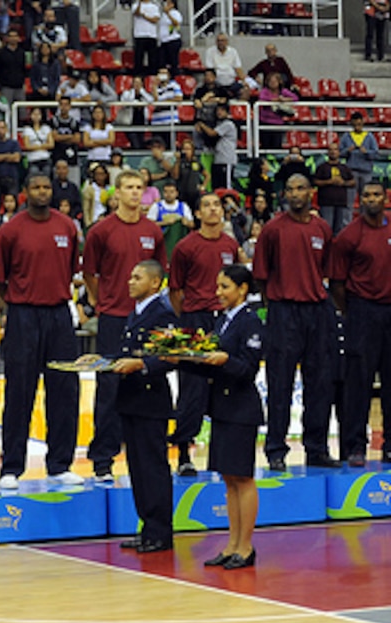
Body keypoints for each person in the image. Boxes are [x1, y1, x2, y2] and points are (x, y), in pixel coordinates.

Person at [0, 173, 84, 488]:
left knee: (64, 390)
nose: (42, 192)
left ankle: (60, 464)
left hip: (59, 314)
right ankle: (11, 468)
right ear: (25, 192)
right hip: (23, 315)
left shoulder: (67, 227)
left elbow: (72, 269)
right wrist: (19, 305)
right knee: (19, 391)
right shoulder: (10, 230)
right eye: (36, 187)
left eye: (46, 187)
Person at [176, 265, 264, 569]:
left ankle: (246, 546)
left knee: (243, 477)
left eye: (224, 286)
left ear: (242, 289)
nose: (218, 292)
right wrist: (181, 359)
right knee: (228, 480)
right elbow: (209, 363)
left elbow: (247, 369)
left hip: (242, 409)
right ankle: (231, 545)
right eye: (218, 286)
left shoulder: (251, 322)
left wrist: (225, 359)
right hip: (223, 409)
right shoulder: (222, 321)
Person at [83, 170, 167, 482]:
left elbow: (159, 274)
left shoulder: (153, 231)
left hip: (147, 320)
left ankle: (141, 457)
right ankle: (102, 459)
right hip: (114, 317)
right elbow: (90, 272)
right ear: (116, 193)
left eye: (139, 188)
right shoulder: (101, 231)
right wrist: (101, 301)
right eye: (129, 188)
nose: (134, 193)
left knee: (146, 384)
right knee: (109, 387)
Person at [252, 174, 338, 471]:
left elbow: (326, 271)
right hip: (283, 311)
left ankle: (317, 448)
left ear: (311, 193)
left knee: (320, 384)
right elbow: (261, 276)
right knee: (280, 384)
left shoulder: (322, 228)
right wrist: (277, 304)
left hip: (317, 310)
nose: (295, 193)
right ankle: (276, 449)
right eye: (289, 189)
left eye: (300, 188)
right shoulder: (272, 229)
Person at [167, 192, 240, 474]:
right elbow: (176, 290)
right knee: (192, 389)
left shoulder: (230, 246)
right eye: (207, 205)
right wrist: (186, 322)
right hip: (194, 319)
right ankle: (184, 452)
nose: (213, 209)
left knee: (225, 384)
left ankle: (222, 455)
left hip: (222, 319)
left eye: (217, 205)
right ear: (197, 214)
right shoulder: (185, 247)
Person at [109, 259, 178, 552]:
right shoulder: (136, 312)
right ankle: (147, 526)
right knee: (137, 467)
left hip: (151, 399)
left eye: (137, 277)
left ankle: (160, 531)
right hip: (132, 398)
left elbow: (170, 356)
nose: (130, 281)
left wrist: (141, 364)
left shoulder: (162, 314)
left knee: (153, 466)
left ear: (155, 283)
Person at [329, 181, 391, 467]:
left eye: (377, 194)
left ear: (385, 198)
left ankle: (389, 446)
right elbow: (337, 284)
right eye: (367, 195)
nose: (372, 199)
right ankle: (355, 446)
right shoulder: (348, 236)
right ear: (359, 200)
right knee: (358, 383)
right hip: (361, 311)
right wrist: (352, 311)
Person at [340, 112, 380, 213]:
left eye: (359, 124)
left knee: (366, 199)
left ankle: (366, 221)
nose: (357, 127)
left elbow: (375, 154)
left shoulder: (369, 136)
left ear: (362, 123)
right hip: (351, 171)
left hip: (366, 171)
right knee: (349, 200)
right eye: (355, 125)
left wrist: (366, 152)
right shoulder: (346, 136)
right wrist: (348, 150)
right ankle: (348, 225)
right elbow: (340, 153)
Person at [314, 143, 356, 235]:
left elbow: (353, 182)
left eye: (335, 150)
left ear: (339, 152)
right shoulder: (322, 167)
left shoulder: (345, 168)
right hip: (326, 203)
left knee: (340, 230)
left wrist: (343, 183)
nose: (333, 152)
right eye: (331, 150)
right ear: (328, 153)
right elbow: (315, 182)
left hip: (341, 203)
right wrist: (329, 182)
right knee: (326, 229)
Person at [131, 0, 161, 75]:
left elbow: (155, 19)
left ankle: (152, 77)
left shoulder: (154, 6)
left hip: (151, 35)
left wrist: (144, 15)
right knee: (138, 59)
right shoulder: (135, 5)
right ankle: (138, 77)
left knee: (153, 59)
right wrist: (139, 4)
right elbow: (136, 13)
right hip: (139, 35)